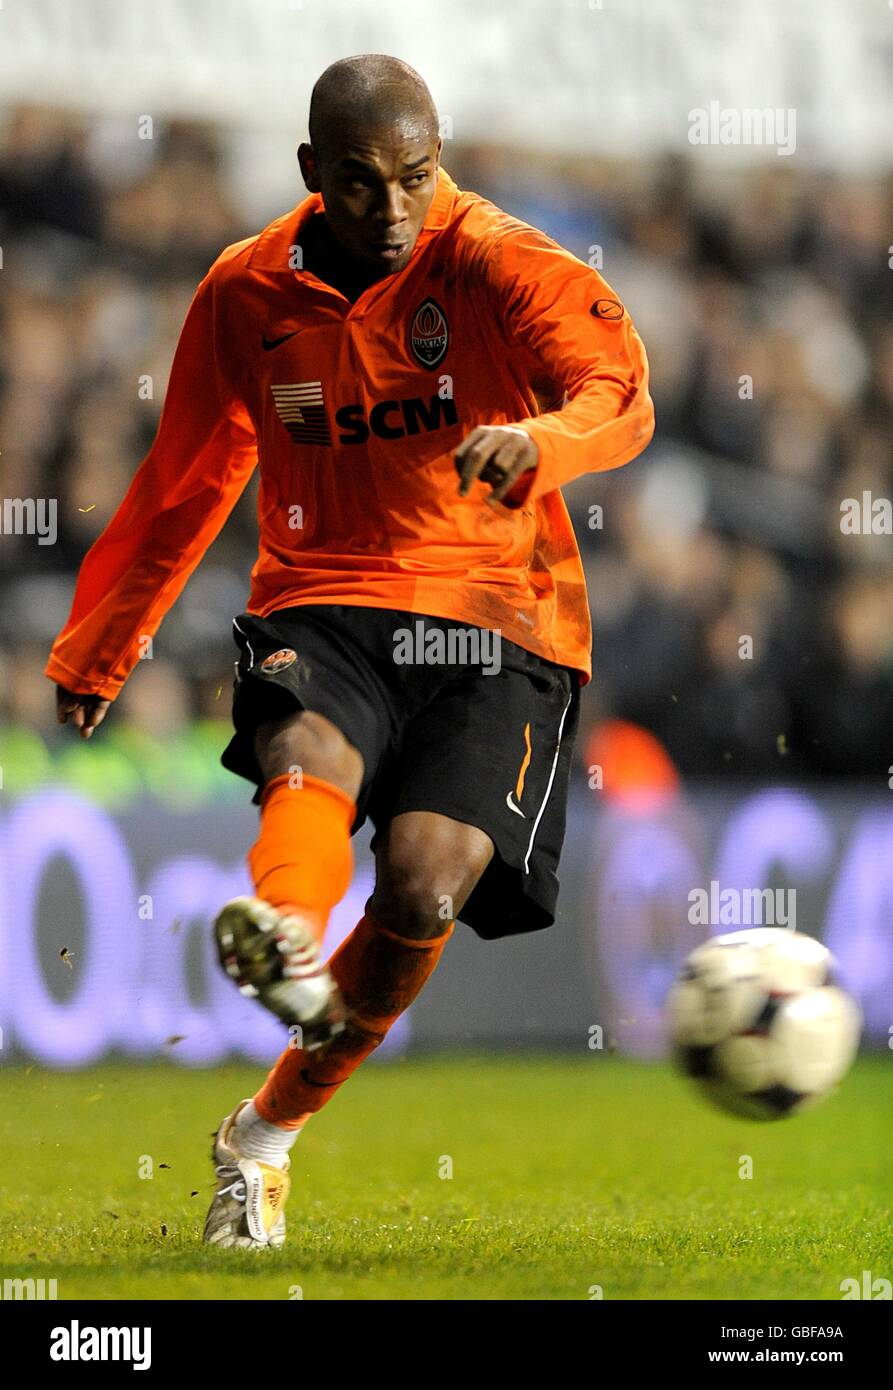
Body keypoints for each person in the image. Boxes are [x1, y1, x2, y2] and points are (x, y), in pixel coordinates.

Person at [46, 54, 654, 1249]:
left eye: (416, 179)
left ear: (442, 163)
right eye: (364, 185)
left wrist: (542, 442)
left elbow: (617, 392)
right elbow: (189, 476)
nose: (393, 211)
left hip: (499, 618)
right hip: (323, 594)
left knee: (426, 881)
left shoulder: (495, 260)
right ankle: (283, 926)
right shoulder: (243, 293)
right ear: (311, 173)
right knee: (308, 750)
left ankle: (263, 1133)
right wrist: (103, 642)